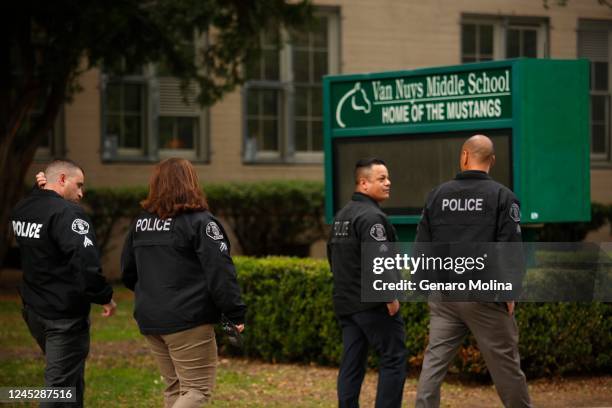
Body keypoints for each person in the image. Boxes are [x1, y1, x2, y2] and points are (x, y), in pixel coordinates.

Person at [414, 135, 531, 408]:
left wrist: (423, 285)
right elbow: (510, 249)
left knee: (433, 363)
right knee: (505, 366)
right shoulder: (504, 197)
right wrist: (510, 292)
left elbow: (422, 246)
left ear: (464, 156)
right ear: (492, 160)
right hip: (485, 296)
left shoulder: (437, 195)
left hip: (444, 295)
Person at [121, 158, 246, 408]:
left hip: (151, 318)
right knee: (197, 391)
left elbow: (127, 271)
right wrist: (235, 312)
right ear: (191, 183)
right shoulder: (200, 222)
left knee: (176, 389)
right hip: (188, 320)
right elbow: (220, 272)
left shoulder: (141, 223)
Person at [11, 159, 116, 407]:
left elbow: (40, 209)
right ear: (61, 180)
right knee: (58, 388)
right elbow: (85, 264)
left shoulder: (24, 207)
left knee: (70, 377)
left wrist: (39, 190)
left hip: (34, 309)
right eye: (78, 185)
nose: (81, 193)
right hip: (63, 317)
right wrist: (104, 296)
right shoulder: (68, 214)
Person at [327, 158, 407, 408]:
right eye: (381, 179)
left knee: (352, 363)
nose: (388, 183)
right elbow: (379, 261)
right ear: (363, 183)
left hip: (346, 304)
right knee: (394, 357)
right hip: (372, 305)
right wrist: (390, 297)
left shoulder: (342, 215)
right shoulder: (372, 217)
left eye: (387, 178)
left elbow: (332, 258)